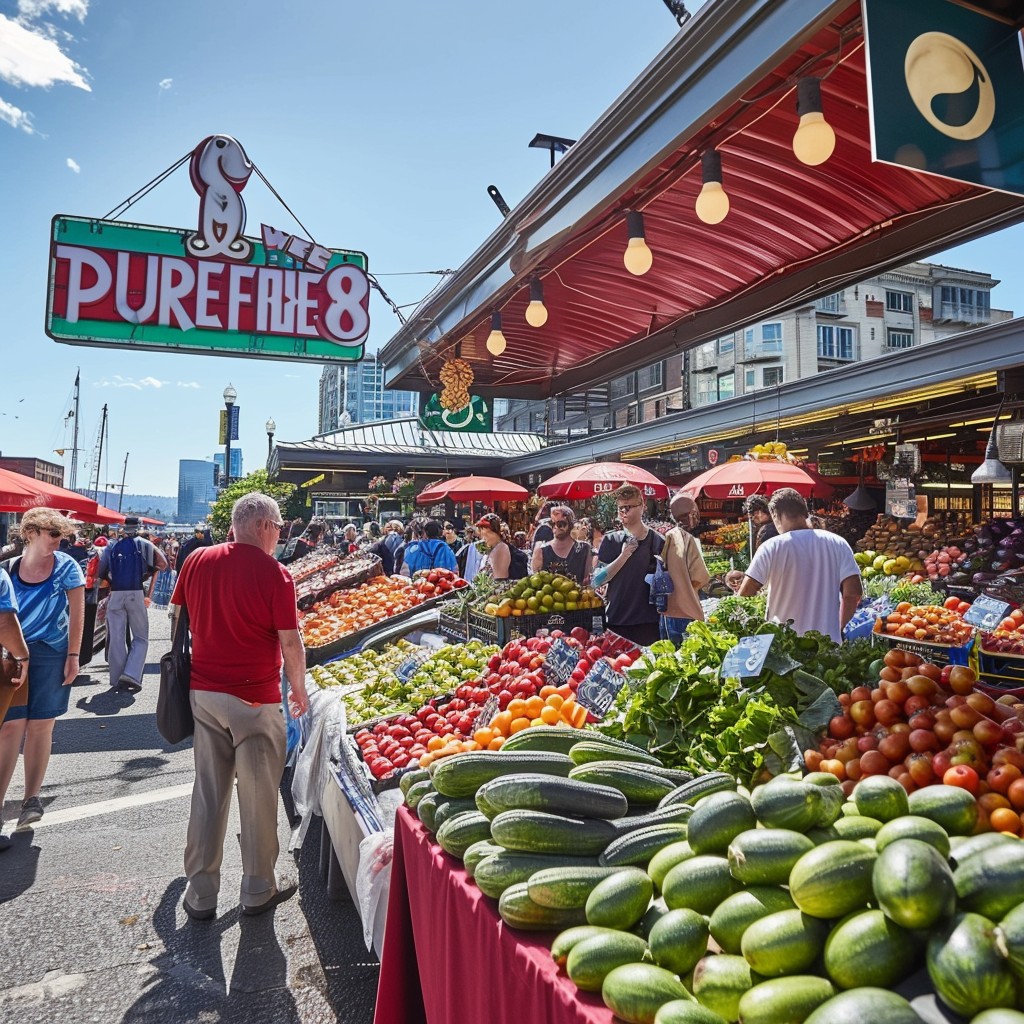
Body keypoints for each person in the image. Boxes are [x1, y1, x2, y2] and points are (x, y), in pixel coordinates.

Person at [171, 492, 308, 920]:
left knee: (209, 792)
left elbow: (177, 620)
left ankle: (200, 893)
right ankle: (257, 887)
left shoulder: (196, 561)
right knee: (258, 793)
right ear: (264, 527)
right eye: (280, 527)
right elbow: (290, 640)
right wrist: (299, 688)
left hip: (204, 693)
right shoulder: (275, 573)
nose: (280, 535)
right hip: (255, 697)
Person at [0, 509, 84, 831]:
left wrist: (74, 655)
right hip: (14, 653)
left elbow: (78, 616)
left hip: (52, 653)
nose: (58, 541)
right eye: (52, 533)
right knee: (10, 727)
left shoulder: (67, 567)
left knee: (40, 725)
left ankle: (31, 799)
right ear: (31, 532)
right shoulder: (8, 567)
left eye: (60, 535)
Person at [734, 488, 862, 643]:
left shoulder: (771, 547)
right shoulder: (838, 543)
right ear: (806, 512)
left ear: (775, 516)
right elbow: (853, 594)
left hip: (785, 649)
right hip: (828, 646)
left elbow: (744, 594)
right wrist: (838, 627)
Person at [98, 516, 168, 693]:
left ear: (123, 528)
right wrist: (147, 571)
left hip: (115, 594)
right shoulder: (145, 544)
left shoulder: (112, 545)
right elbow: (163, 564)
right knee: (140, 636)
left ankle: (116, 677)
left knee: (116, 637)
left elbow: (101, 571)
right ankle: (131, 673)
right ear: (139, 527)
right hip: (135, 592)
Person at [595, 485, 664, 646]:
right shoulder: (611, 540)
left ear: (642, 507)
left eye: (629, 507)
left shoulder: (658, 541)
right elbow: (596, 580)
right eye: (621, 508)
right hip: (616, 620)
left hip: (648, 623)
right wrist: (624, 555)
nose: (624, 511)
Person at [659, 493, 711, 644]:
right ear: (691, 514)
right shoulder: (687, 539)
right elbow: (700, 577)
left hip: (666, 610)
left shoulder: (667, 536)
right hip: (686, 610)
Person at [530, 505, 592, 585]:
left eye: (561, 524)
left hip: (577, 595)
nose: (556, 527)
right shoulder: (541, 550)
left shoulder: (583, 549)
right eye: (552, 523)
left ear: (570, 524)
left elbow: (587, 579)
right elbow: (535, 582)